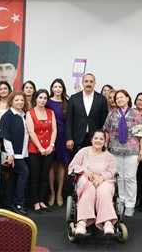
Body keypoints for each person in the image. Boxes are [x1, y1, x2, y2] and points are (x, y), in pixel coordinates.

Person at [103, 89, 142, 217]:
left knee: (130, 178)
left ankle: (130, 205)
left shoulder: (135, 114)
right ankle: (120, 203)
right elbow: (106, 131)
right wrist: (105, 146)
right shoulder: (112, 114)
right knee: (119, 178)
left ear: (127, 98)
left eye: (122, 97)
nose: (119, 100)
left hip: (132, 151)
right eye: (117, 98)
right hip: (115, 151)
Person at [69, 130, 118, 236]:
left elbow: (112, 171)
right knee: (88, 189)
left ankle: (107, 222)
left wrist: (102, 177)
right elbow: (72, 166)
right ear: (91, 140)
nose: (98, 141)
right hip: (86, 180)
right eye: (96, 138)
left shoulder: (109, 156)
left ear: (105, 142)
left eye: (101, 139)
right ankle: (82, 222)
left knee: (104, 191)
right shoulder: (83, 152)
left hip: (104, 181)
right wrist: (84, 170)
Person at [26, 89, 57, 214]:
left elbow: (54, 130)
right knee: (35, 176)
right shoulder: (30, 113)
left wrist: (51, 145)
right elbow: (31, 131)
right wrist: (40, 147)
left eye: (45, 98)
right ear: (36, 98)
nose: (42, 100)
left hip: (49, 149)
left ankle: (42, 200)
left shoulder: (50, 112)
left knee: (44, 176)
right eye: (40, 97)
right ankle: (35, 202)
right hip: (35, 149)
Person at [0, 91, 29, 215]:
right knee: (24, 173)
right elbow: (6, 137)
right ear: (11, 101)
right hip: (13, 153)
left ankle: (7, 201)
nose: (20, 102)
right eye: (17, 100)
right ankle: (19, 202)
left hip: (22, 152)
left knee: (13, 176)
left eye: (22, 100)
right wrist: (10, 154)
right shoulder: (8, 116)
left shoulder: (24, 115)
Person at [66, 73, 108, 154]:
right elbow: (69, 120)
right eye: (86, 81)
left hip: (96, 139)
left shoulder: (101, 99)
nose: (88, 84)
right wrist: (69, 138)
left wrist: (103, 139)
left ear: (95, 83)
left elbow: (104, 121)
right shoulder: (74, 98)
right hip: (77, 139)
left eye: (91, 81)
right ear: (82, 83)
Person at [47, 78, 70, 207]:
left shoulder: (67, 102)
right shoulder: (47, 102)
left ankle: (59, 193)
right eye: (55, 87)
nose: (57, 89)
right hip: (49, 136)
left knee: (61, 164)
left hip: (63, 136)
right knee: (51, 164)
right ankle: (51, 192)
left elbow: (70, 121)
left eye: (60, 87)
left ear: (63, 89)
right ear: (52, 88)